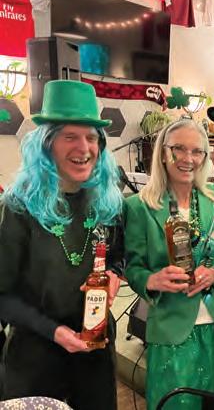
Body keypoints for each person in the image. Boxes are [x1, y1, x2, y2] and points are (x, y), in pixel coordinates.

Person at [0, 80, 124, 410]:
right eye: (70, 136)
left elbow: (118, 255)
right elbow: (2, 296)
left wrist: (114, 274)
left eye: (91, 137)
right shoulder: (18, 208)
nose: (83, 148)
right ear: (47, 143)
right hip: (35, 357)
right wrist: (54, 331)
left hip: (95, 349)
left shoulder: (108, 201)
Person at [123, 118, 214, 410]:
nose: (188, 158)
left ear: (205, 156)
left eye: (197, 151)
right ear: (163, 152)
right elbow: (133, 268)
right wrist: (152, 280)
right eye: (178, 148)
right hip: (171, 328)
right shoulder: (139, 207)